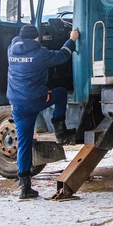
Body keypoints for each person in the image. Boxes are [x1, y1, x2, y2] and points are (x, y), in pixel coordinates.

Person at [7, 24, 79, 200]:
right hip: (36, 101)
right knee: (61, 93)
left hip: (17, 104)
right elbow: (62, 56)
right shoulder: (39, 54)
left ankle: (25, 188)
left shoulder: (11, 50)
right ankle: (60, 130)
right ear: (36, 38)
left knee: (24, 144)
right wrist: (72, 39)